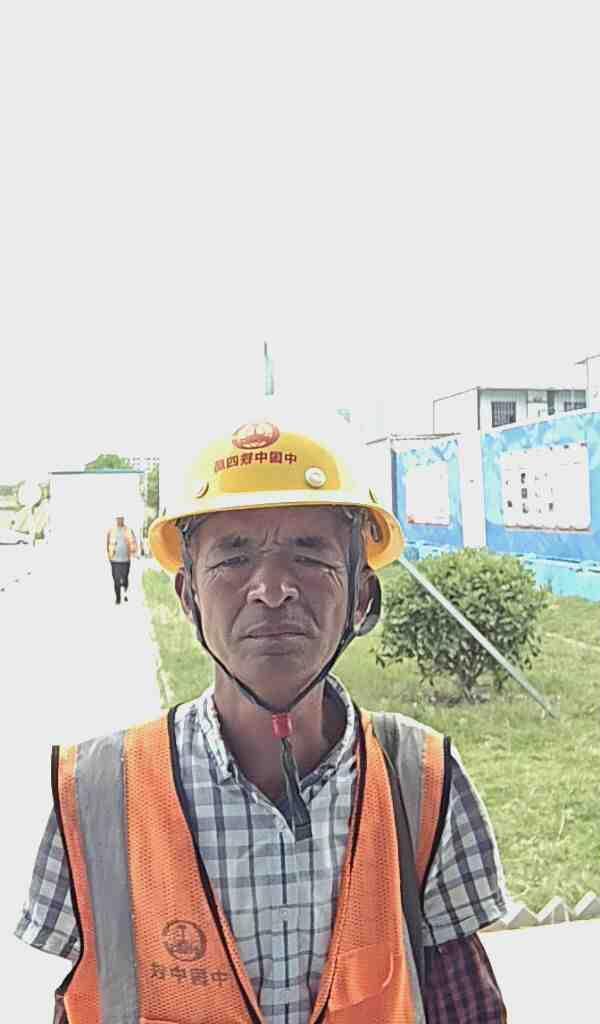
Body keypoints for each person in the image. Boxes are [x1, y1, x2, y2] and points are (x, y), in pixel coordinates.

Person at [15, 412, 508, 1023]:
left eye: (309, 554)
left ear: (361, 595)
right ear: (188, 595)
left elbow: (467, 1007)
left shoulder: (421, 782)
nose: (272, 590)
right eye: (234, 557)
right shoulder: (95, 794)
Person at [106, 513, 138, 604]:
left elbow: (134, 542)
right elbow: (107, 543)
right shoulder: (111, 530)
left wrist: (134, 552)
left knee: (125, 579)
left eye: (121, 518)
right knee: (116, 580)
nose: (120, 520)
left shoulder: (129, 530)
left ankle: (125, 593)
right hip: (114, 560)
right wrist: (109, 555)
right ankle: (118, 598)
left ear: (123, 519)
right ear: (116, 519)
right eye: (118, 518)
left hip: (125, 560)